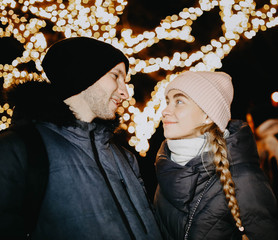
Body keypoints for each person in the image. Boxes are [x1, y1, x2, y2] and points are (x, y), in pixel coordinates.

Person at [0, 37, 162, 239]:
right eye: (115, 76)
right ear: (82, 75)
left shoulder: (124, 157)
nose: (125, 93)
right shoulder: (17, 148)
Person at [153, 71, 278, 240]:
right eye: (167, 101)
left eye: (179, 101)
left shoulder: (242, 179)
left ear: (208, 115)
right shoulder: (167, 170)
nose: (165, 111)